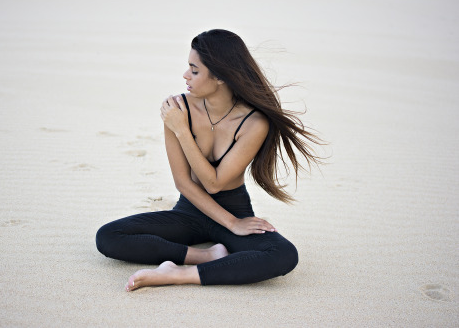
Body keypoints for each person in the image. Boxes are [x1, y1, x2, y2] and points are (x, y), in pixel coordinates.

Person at [96, 29, 322, 291]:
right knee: (108, 236)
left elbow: (214, 184)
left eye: (194, 70)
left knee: (284, 255)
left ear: (220, 77)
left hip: (234, 210)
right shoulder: (178, 110)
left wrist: (234, 223)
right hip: (189, 210)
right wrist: (179, 125)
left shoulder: (253, 123)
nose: (185, 76)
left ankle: (179, 274)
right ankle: (204, 256)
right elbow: (183, 182)